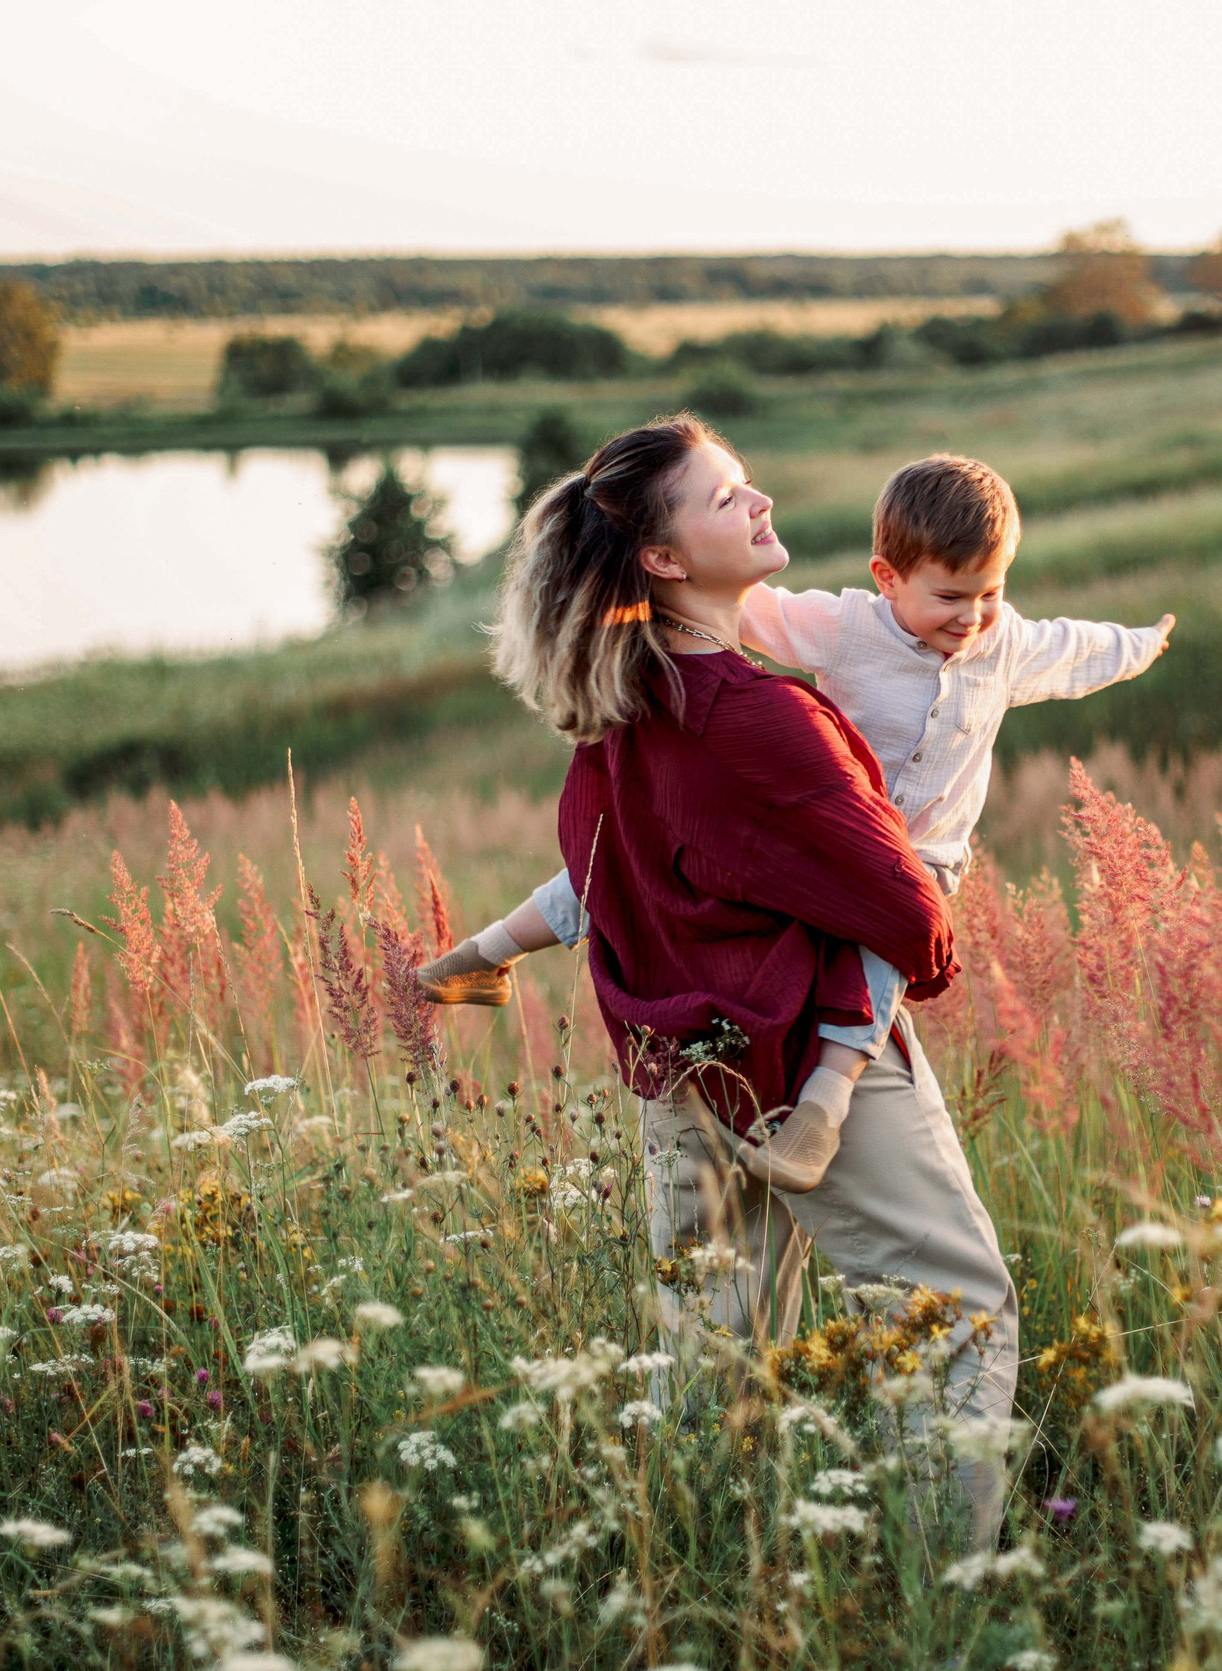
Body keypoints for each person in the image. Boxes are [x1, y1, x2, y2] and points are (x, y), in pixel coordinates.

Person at [462, 414, 1019, 1542]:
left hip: (683, 1072)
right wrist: (920, 944)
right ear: (663, 558)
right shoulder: (759, 716)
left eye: (747, 483)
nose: (759, 502)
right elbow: (910, 915)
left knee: (716, 1347)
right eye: (726, 498)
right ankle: (948, 1598)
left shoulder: (622, 706)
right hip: (806, 1062)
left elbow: (600, 882)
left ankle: (697, 1583)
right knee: (954, 1311)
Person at [423, 453, 1173, 1189]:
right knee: (613, 865)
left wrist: (1144, 644)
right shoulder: (846, 627)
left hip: (916, 859)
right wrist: (625, 580)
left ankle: (819, 1113)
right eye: (950, 597)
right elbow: (749, 609)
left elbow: (1083, 648)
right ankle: (485, 955)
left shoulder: (1005, 643)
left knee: (867, 968)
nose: (972, 617)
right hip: (817, 848)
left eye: (990, 593)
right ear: (888, 577)